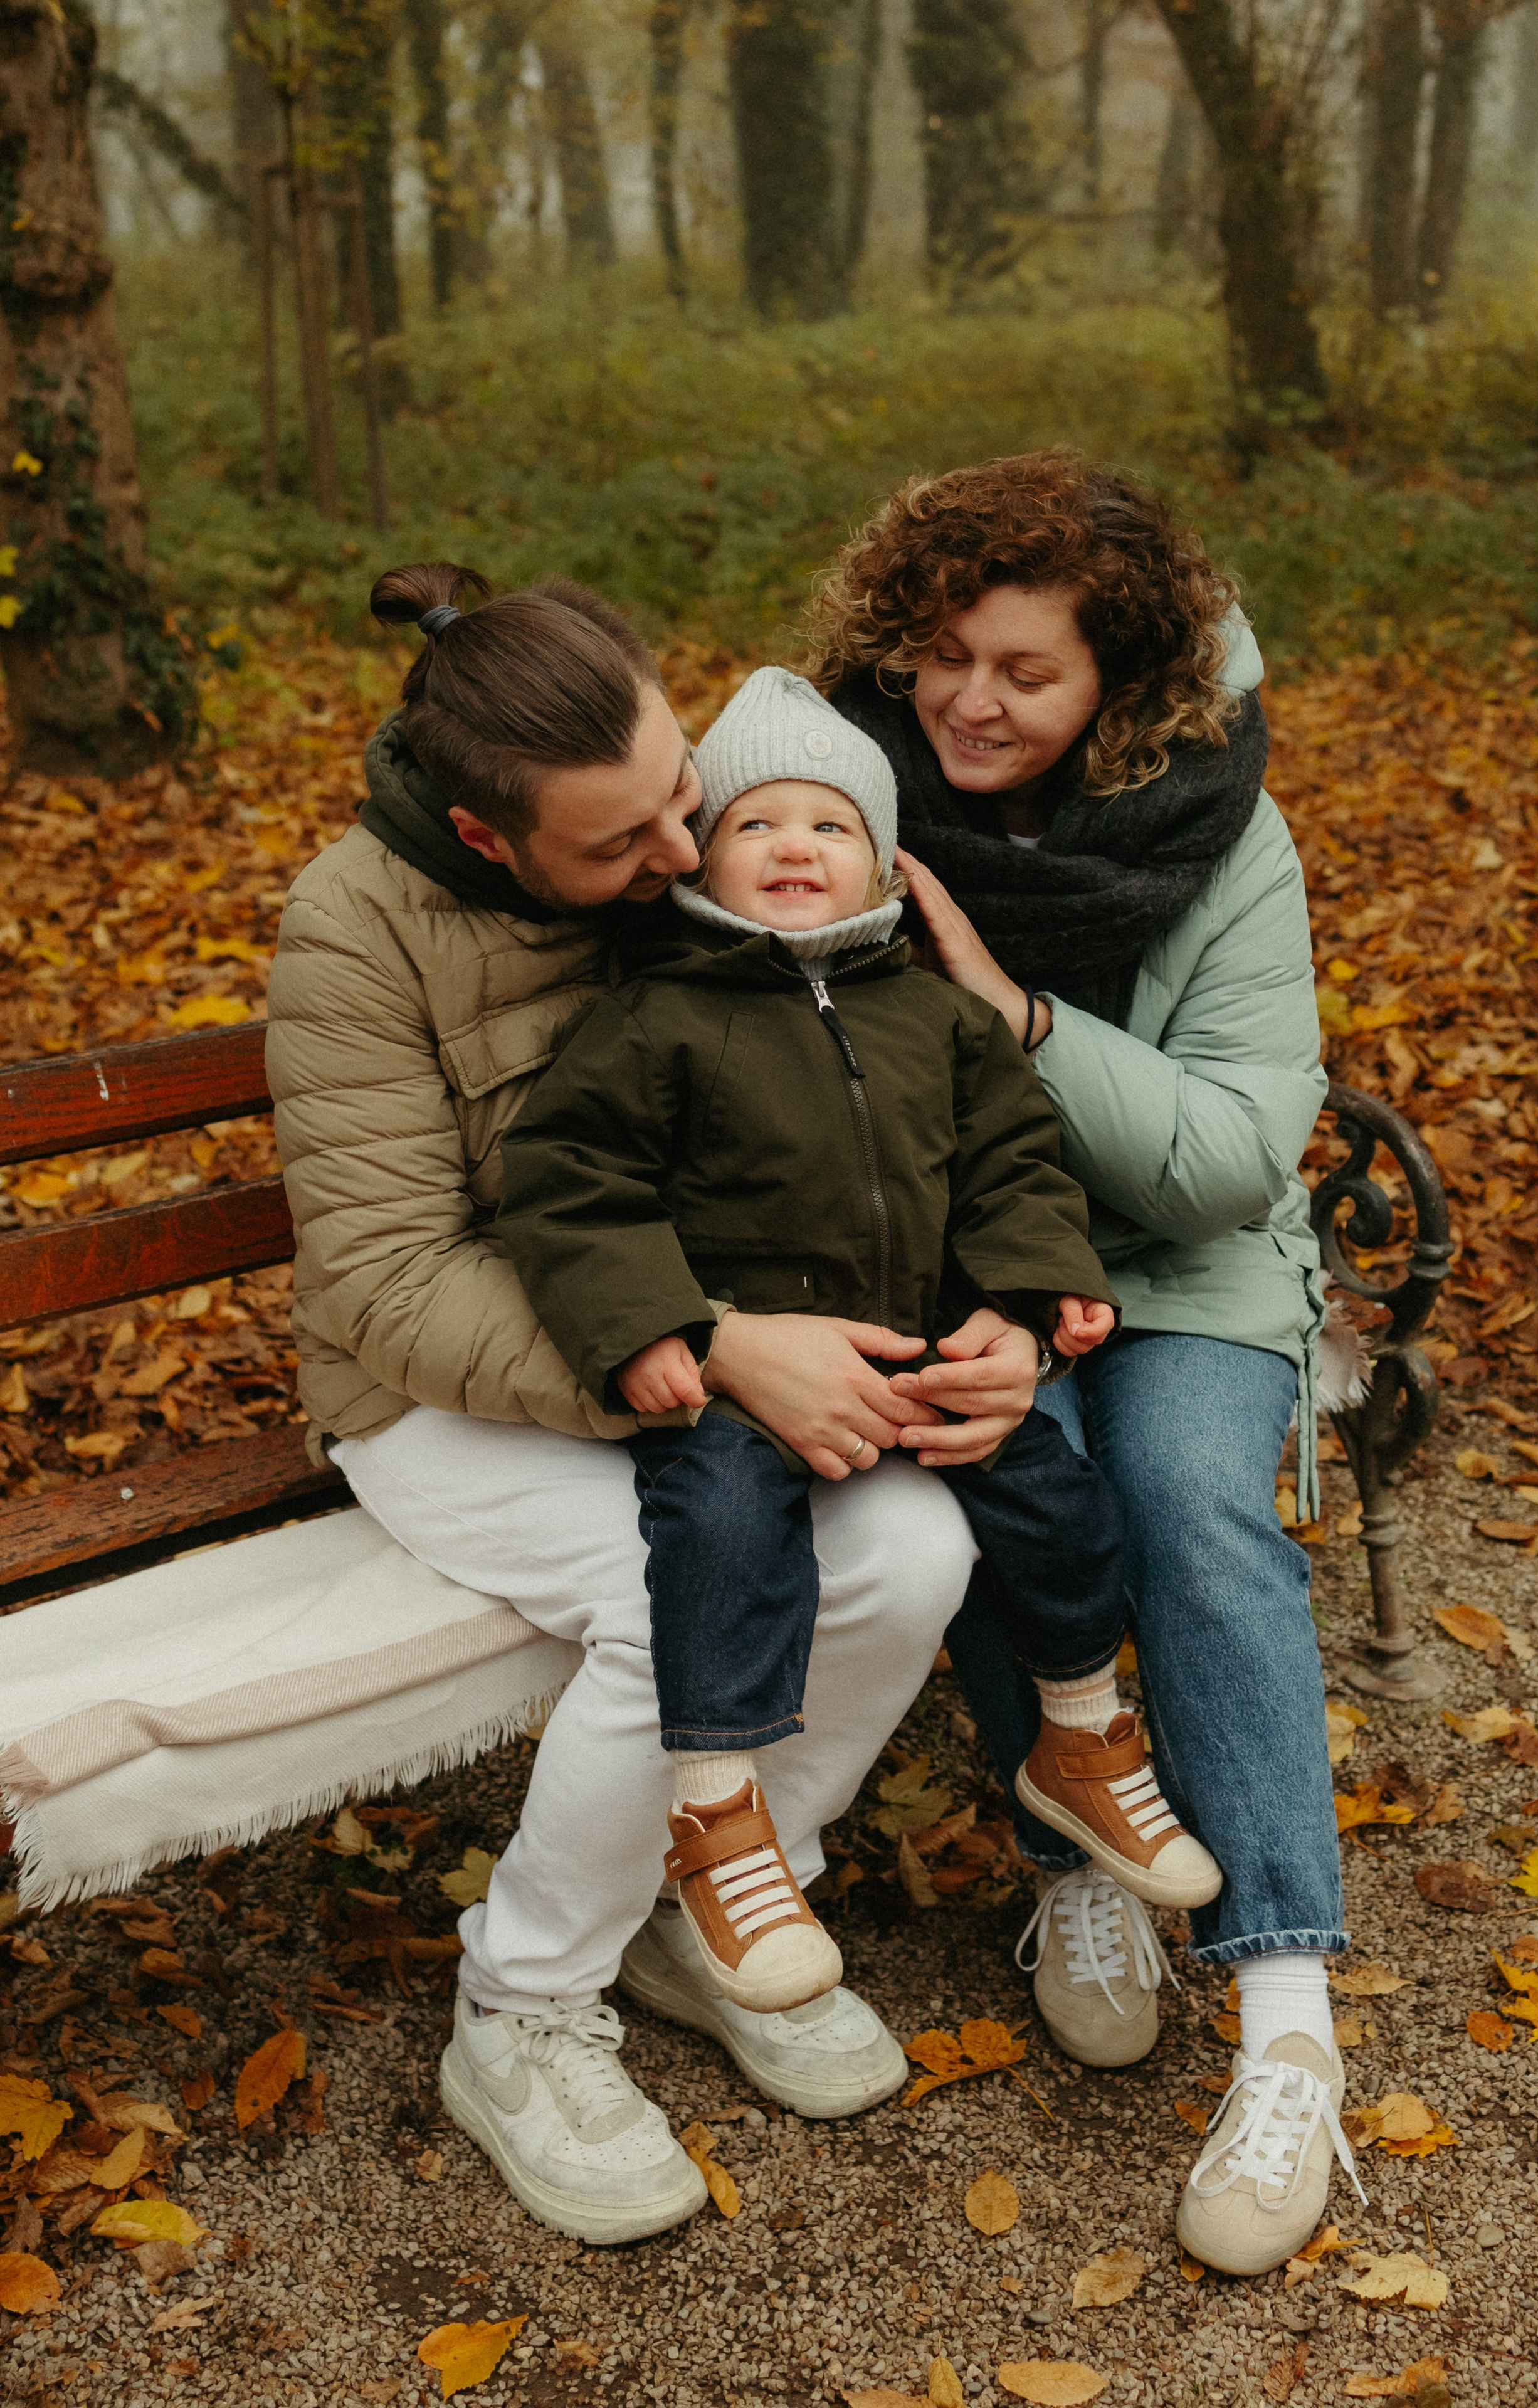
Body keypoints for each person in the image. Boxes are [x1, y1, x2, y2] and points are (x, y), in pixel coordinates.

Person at [265, 564, 982, 2249]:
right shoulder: (355, 928)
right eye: (621, 844)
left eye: (682, 795)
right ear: (487, 835)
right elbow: (389, 1281)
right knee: (677, 1598)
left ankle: (709, 1900)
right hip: (438, 1393)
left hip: (721, 1362)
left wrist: (990, 1319)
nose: (680, 854)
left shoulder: (693, 850)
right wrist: (706, 1350)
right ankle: (519, 2009)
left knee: (915, 1553)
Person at [813, 451, 1358, 2276]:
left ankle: (1286, 2020)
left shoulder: (1224, 833)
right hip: (970, 1256)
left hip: (1187, 1261)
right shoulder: (838, 803)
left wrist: (1014, 1012)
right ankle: (1077, 1863)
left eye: (1025, 672)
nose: (970, 702)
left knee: (1190, 1502)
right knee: (995, 1465)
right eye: (945, 655)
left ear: (1117, 684)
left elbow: (1230, 1157)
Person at [494, 665, 1221, 2021]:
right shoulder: (658, 1018)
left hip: (917, 1356)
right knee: (719, 1538)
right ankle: (718, 1821)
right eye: (756, 823)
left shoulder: (934, 1018)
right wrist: (658, 1324)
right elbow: (570, 1186)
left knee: (1062, 1505)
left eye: (828, 826)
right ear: (701, 858)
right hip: (745, 1380)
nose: (794, 847)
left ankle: (1078, 1737)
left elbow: (1014, 1164)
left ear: (882, 864)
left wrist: (1035, 1294)